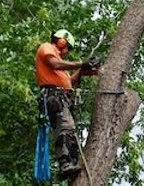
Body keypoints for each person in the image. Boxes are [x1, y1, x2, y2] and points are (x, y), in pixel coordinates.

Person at [35, 29, 99, 178]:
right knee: (65, 127)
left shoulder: (62, 68)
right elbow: (55, 64)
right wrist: (80, 63)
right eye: (67, 48)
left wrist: (82, 70)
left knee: (69, 129)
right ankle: (65, 164)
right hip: (53, 96)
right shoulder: (47, 48)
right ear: (61, 41)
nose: (67, 52)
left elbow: (69, 83)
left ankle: (71, 161)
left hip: (61, 97)